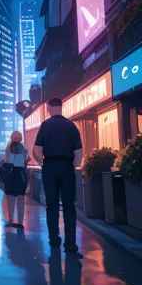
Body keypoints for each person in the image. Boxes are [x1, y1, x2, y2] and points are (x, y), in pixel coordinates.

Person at [33, 97, 84, 254]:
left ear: (49, 108)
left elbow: (36, 150)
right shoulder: (71, 126)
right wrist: (71, 165)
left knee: (52, 205)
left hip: (50, 166)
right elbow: (79, 153)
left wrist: (43, 164)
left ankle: (54, 240)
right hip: (67, 167)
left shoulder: (45, 125)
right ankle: (70, 243)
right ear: (61, 107)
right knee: (69, 206)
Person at [4, 131, 29, 228]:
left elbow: (6, 159)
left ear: (11, 137)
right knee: (21, 198)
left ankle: (11, 220)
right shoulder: (24, 147)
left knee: (10, 198)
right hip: (21, 174)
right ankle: (20, 222)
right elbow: (27, 159)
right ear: (21, 138)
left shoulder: (8, 146)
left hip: (11, 173)